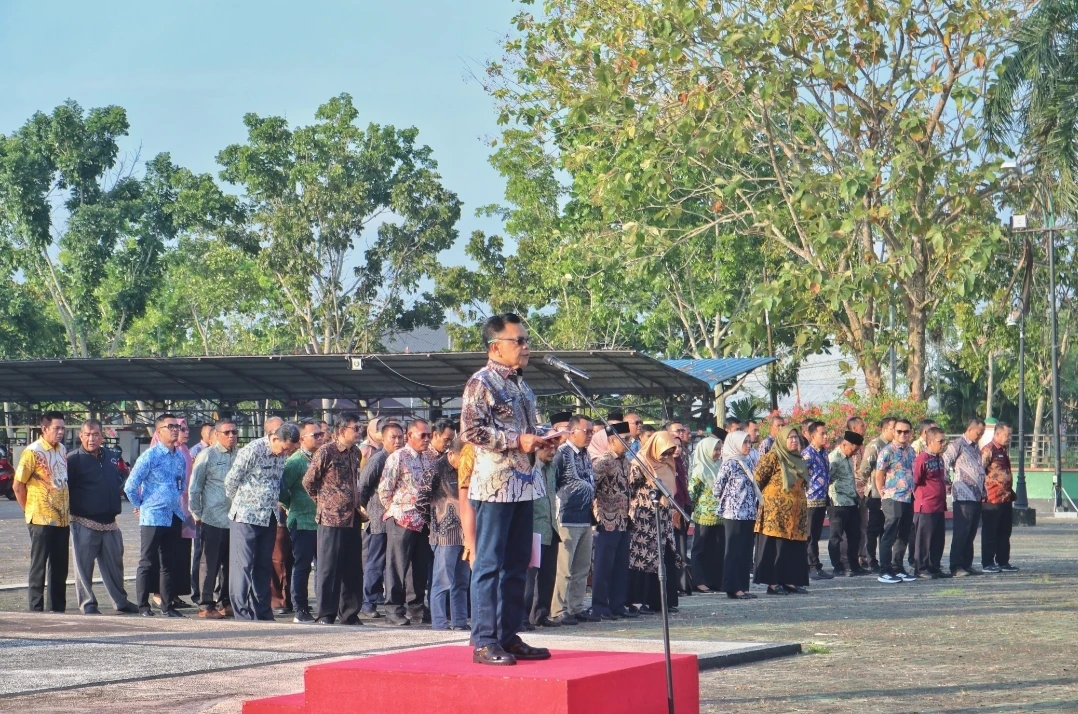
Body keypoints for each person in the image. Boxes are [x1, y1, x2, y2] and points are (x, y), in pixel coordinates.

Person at [460, 313, 552, 665]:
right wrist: (518, 440)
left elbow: (530, 431)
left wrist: (543, 444)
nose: (527, 347)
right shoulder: (481, 382)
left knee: (517, 564)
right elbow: (472, 432)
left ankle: (508, 634)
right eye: (520, 341)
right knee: (488, 564)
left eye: (527, 340)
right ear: (495, 346)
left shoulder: (521, 385)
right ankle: (484, 640)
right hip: (495, 485)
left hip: (525, 485)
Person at [225, 422, 299, 621]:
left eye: (290, 451)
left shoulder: (281, 456)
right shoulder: (252, 451)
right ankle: (242, 614)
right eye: (284, 449)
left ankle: (262, 613)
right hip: (246, 517)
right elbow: (231, 481)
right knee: (244, 565)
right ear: (275, 438)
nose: (285, 453)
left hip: (269, 517)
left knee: (263, 566)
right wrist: (242, 503)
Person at [67, 419, 137, 615]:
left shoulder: (111, 457)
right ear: (81, 436)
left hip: (110, 523)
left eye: (95, 434)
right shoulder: (72, 460)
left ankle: (120, 602)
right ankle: (88, 604)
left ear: (102, 436)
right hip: (84, 522)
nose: (91, 438)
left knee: (115, 565)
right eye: (87, 435)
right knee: (83, 567)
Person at [303, 413, 365, 625]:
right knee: (329, 567)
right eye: (355, 428)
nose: (359, 431)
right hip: (331, 518)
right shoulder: (326, 451)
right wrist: (325, 502)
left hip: (353, 516)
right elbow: (309, 481)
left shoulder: (356, 453)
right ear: (341, 431)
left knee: (352, 567)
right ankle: (326, 613)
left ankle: (349, 613)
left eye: (359, 428)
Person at [125, 413, 187, 617]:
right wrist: (141, 504)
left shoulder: (179, 455)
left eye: (177, 426)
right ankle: (143, 606)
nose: (175, 430)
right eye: (170, 426)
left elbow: (182, 483)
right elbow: (130, 485)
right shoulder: (150, 456)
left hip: (173, 514)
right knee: (147, 561)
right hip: (153, 516)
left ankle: (167, 606)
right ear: (159, 431)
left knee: (169, 563)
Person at [379, 419, 437, 626]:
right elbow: (385, 489)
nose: (427, 439)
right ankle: (393, 609)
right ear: (409, 435)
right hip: (402, 519)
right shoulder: (398, 457)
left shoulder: (430, 458)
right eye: (423, 435)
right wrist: (397, 509)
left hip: (423, 521)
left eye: (429, 435)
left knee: (419, 567)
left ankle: (417, 608)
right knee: (397, 566)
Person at [15, 411, 70, 613]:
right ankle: (36, 610)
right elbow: (18, 486)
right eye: (57, 428)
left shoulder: (62, 450)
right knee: (39, 566)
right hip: (40, 518)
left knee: (60, 567)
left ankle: (57, 608)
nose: (61, 432)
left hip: (62, 519)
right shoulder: (32, 451)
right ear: (44, 428)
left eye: (63, 428)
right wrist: (29, 511)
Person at [188, 419, 239, 619]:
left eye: (234, 432)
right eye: (226, 432)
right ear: (216, 435)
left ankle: (225, 601)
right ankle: (205, 604)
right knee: (209, 563)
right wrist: (197, 514)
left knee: (230, 563)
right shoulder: (207, 455)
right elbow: (195, 488)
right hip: (212, 517)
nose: (231, 436)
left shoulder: (240, 455)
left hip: (234, 518)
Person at [417, 437, 469, 630]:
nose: (466, 462)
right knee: (442, 581)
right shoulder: (435, 470)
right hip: (444, 534)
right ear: (451, 454)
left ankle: (460, 621)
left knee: (462, 581)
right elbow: (420, 501)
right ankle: (439, 622)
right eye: (462, 458)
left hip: (465, 534)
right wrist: (434, 523)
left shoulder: (467, 470)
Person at [627, 431, 682, 613]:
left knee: (664, 557)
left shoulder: (667, 464)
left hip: (663, 518)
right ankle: (638, 601)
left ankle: (661, 602)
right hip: (644, 520)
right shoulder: (640, 463)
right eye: (664, 452)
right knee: (643, 559)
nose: (666, 457)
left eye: (669, 452)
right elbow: (630, 488)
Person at [753, 426, 810, 595]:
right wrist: (770, 500)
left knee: (793, 549)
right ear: (781, 439)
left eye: (795, 437)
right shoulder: (773, 456)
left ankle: (790, 581)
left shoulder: (798, 459)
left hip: (796, 513)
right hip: (775, 513)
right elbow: (757, 480)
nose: (794, 440)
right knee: (776, 548)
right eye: (790, 437)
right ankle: (773, 583)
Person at [551, 414, 597, 624]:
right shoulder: (562, 454)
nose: (589, 436)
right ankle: (559, 610)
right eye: (585, 431)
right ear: (572, 431)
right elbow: (553, 483)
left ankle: (576, 606)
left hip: (585, 516)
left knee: (581, 567)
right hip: (566, 517)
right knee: (564, 568)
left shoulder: (585, 454)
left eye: (591, 432)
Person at [279, 419, 325, 623]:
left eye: (321, 434)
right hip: (302, 521)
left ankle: (324, 607)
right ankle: (301, 608)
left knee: (323, 567)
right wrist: (293, 505)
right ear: (302, 439)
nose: (320, 438)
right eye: (315, 435)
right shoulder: (295, 462)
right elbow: (282, 491)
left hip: (321, 521)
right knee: (302, 566)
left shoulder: (321, 457)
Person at [357, 421, 404, 618]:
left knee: (391, 564)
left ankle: (388, 601)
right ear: (382, 439)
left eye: (400, 437)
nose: (397, 441)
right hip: (377, 520)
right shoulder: (378, 459)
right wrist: (367, 511)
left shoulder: (402, 458)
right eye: (393, 437)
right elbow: (362, 488)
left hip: (395, 520)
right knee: (375, 563)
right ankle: (368, 602)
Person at [591, 421, 635, 620]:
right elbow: (592, 484)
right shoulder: (604, 461)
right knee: (603, 566)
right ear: (611, 440)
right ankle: (600, 606)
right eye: (624, 440)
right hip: (607, 519)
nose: (628, 443)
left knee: (620, 565)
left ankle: (617, 605)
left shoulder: (626, 462)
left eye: (629, 439)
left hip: (624, 520)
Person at [712, 431, 760, 599]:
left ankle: (743, 587)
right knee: (734, 551)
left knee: (746, 551)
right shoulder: (730, 463)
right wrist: (731, 500)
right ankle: (733, 587)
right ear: (735, 444)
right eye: (745, 442)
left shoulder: (748, 461)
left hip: (748, 513)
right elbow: (717, 488)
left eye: (749, 442)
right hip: (733, 513)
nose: (748, 445)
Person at [874, 419, 918, 584]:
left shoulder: (912, 451)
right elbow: (879, 474)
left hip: (908, 497)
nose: (902, 434)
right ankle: (884, 570)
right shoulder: (887, 451)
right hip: (893, 497)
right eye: (899, 431)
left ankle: (897, 567)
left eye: (906, 432)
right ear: (893, 432)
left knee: (904, 534)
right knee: (889, 534)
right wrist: (882, 492)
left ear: (910, 433)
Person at [944, 418, 987, 577]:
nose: (980, 436)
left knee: (971, 532)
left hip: (976, 496)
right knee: (961, 532)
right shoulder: (957, 445)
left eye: (982, 433)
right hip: (963, 495)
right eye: (978, 432)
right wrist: (947, 482)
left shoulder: (976, 448)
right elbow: (945, 462)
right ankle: (956, 566)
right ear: (970, 429)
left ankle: (966, 564)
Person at [524, 440, 560, 627]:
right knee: (530, 579)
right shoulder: (530, 467)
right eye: (548, 447)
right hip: (533, 529)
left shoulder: (551, 468)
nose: (552, 451)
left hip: (551, 527)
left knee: (548, 575)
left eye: (554, 448)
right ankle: (523, 616)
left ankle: (541, 614)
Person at [260, 417, 294, 617]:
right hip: (273, 511)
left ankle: (289, 598)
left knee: (290, 559)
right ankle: (275, 599)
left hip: (291, 511)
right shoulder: (262, 453)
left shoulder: (289, 451)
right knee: (277, 558)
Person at [857, 417, 895, 572]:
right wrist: (864, 488)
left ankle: (887, 560)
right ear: (885, 429)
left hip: (891, 494)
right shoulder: (875, 446)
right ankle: (872, 560)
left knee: (888, 529)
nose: (896, 432)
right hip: (876, 495)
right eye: (894, 429)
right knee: (874, 529)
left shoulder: (895, 447)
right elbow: (864, 470)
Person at [827, 431, 865, 577]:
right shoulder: (834, 458)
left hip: (851, 501)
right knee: (836, 536)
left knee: (855, 535)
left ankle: (854, 565)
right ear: (844, 444)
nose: (855, 452)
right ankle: (838, 566)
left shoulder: (849, 457)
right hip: (837, 503)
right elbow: (827, 479)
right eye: (853, 449)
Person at [912, 427, 949, 578]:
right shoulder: (922, 459)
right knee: (924, 540)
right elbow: (914, 481)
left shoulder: (939, 458)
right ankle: (921, 568)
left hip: (939, 506)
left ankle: (934, 566)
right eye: (940, 441)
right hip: (926, 506)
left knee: (938, 539)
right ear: (930, 442)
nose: (943, 444)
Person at [688, 435, 723, 594]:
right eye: (715, 449)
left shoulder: (719, 466)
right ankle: (699, 582)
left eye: (719, 449)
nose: (717, 453)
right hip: (703, 516)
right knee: (700, 549)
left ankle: (715, 581)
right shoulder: (700, 469)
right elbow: (692, 493)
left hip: (720, 516)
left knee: (716, 550)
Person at [981, 422, 1018, 573]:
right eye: (1006, 434)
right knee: (990, 532)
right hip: (991, 499)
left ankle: (1003, 561)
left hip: (1006, 498)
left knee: (1005, 531)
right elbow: (980, 471)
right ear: (997, 434)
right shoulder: (988, 450)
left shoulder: (1004, 450)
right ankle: (987, 562)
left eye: (1010, 435)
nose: (1009, 437)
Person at [800, 421, 833, 580]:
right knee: (809, 535)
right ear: (812, 436)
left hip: (822, 499)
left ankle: (815, 565)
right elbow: (799, 476)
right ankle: (809, 566)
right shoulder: (807, 454)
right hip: (810, 501)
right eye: (822, 434)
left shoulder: (824, 453)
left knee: (816, 535)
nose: (826, 436)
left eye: (826, 433)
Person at [665, 422, 694, 595]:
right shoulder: (664, 465)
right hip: (669, 510)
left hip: (682, 507)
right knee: (672, 548)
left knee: (682, 547)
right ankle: (673, 585)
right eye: (673, 446)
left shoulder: (680, 463)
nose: (677, 449)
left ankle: (683, 585)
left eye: (679, 446)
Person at [189, 422, 215, 600]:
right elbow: (194, 485)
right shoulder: (197, 452)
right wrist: (196, 512)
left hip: (220, 514)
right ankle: (198, 593)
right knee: (200, 553)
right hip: (203, 513)